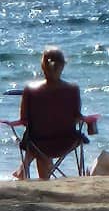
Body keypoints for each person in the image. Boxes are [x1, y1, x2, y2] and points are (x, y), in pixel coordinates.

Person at [14, 47, 90, 179]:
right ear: (63, 66)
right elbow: (77, 117)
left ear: (43, 66)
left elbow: (24, 120)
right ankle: (28, 169)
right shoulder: (73, 89)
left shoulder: (30, 90)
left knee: (36, 140)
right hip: (67, 142)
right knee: (41, 141)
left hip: (39, 143)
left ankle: (33, 174)